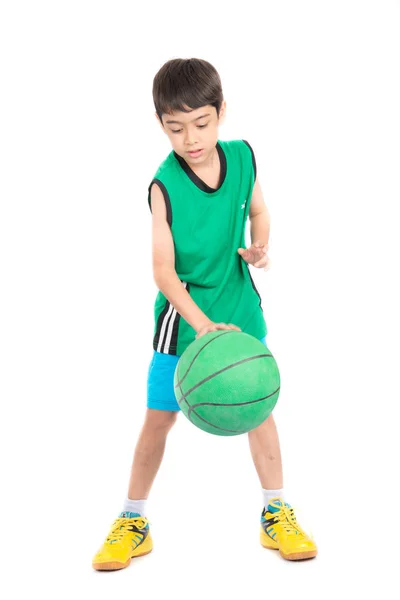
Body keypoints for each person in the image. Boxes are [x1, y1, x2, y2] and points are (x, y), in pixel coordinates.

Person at [92, 58, 317, 571]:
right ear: (161, 124)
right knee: (159, 418)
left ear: (220, 113)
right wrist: (201, 326)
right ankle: (133, 519)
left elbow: (258, 211)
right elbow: (164, 274)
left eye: (201, 124)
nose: (190, 139)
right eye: (176, 128)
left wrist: (260, 246)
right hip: (185, 319)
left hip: (239, 310)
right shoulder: (163, 186)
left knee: (259, 409)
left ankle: (276, 511)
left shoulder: (242, 159)